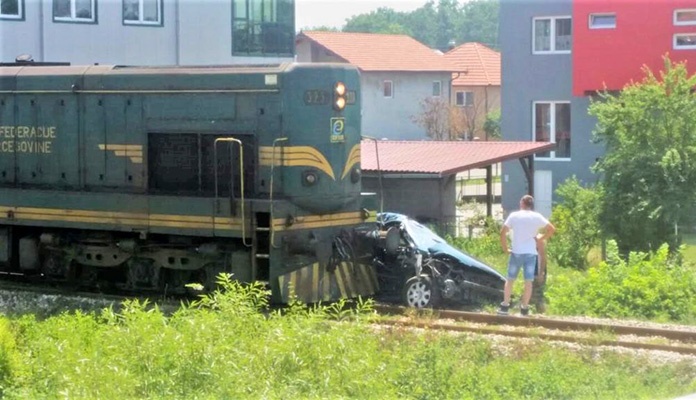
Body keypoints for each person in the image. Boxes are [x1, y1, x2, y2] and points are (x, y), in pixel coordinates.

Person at [498, 195, 555, 316]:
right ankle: (524, 309)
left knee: (510, 279)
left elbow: (502, 232)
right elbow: (551, 229)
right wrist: (541, 239)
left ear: (521, 203)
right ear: (531, 204)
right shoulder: (537, 217)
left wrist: (505, 248)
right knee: (528, 282)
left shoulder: (514, 216)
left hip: (516, 252)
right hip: (531, 253)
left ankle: (505, 306)